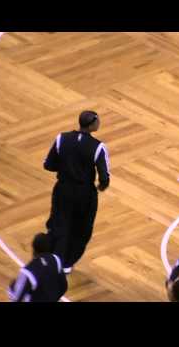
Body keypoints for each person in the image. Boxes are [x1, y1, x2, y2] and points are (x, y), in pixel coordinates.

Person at [44, 110, 110, 274]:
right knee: (82, 228)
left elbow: (48, 164)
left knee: (59, 223)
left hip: (63, 189)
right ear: (92, 124)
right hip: (84, 193)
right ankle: (67, 263)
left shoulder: (62, 138)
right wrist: (101, 187)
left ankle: (54, 258)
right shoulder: (98, 147)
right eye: (98, 121)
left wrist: (66, 169)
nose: (99, 123)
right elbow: (104, 177)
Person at [8, 233, 67, 302]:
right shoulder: (56, 260)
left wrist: (13, 287)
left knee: (13, 287)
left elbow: (16, 298)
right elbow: (64, 286)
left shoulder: (28, 271)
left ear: (33, 248)